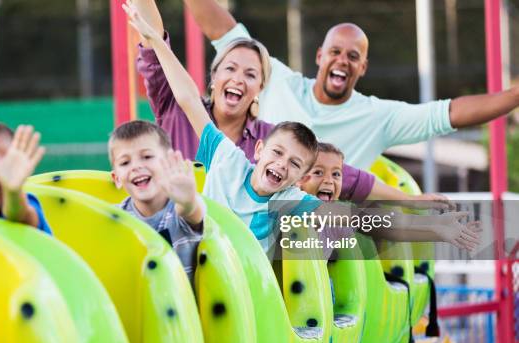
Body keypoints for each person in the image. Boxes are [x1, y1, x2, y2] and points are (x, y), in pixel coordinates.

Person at [122, 1, 480, 259]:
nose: (282, 165)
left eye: (295, 165)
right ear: (259, 150)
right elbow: (185, 96)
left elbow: (369, 220)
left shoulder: (290, 201)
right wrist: (153, 39)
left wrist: (436, 228)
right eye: (278, 155)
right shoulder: (227, 159)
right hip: (191, 255)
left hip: (242, 291)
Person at [133, 0, 448, 206]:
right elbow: (153, 42)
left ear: (260, 88)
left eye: (250, 74)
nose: (238, 79)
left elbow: (345, 175)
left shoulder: (273, 143)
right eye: (230, 69)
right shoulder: (183, 110)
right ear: (214, 77)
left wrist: (411, 201)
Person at [183, 0, 519, 170]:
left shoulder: (377, 117)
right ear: (319, 56)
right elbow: (222, 31)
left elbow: (450, 113)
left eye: (353, 55)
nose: (342, 60)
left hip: (312, 239)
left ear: (363, 67)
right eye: (335, 52)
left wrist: (515, 94)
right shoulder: (276, 79)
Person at [297, 142, 482, 257]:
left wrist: (438, 232)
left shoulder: (335, 223)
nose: (329, 180)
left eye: (336, 174)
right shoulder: (294, 203)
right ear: (298, 179)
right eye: (318, 172)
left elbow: (389, 229)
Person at [108, 120, 205, 282]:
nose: (136, 166)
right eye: (125, 162)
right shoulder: (114, 218)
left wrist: (188, 201)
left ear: (168, 162)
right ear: (116, 178)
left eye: (146, 156)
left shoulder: (179, 208)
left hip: (183, 305)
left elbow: (191, 213)